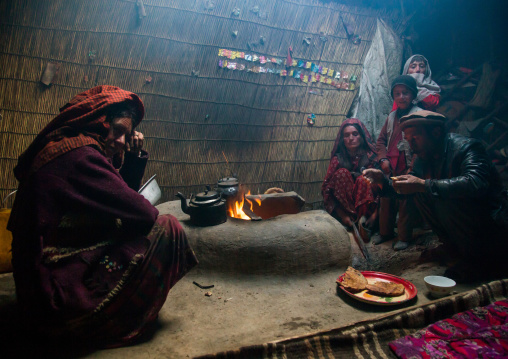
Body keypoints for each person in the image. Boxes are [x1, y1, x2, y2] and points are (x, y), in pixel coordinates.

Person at [7, 85, 198, 348]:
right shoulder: (81, 157)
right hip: (55, 306)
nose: (121, 141)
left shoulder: (66, 147)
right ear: (99, 122)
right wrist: (128, 163)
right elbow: (143, 214)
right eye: (117, 130)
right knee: (169, 227)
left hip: (39, 297)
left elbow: (117, 203)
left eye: (127, 135)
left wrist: (130, 158)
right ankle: (120, 319)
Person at [364, 110, 508, 283]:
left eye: (415, 138)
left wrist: (424, 185)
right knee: (422, 193)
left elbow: (475, 183)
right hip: (463, 221)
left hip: (490, 223)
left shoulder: (467, 148)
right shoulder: (423, 156)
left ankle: (478, 259)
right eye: (408, 140)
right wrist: (383, 182)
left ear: (436, 132)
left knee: (435, 192)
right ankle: (453, 247)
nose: (411, 145)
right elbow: (410, 189)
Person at [374, 75, 423, 249]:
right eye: (397, 93)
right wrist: (383, 159)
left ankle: (404, 236)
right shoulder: (392, 116)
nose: (401, 97)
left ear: (413, 95)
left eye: (405, 93)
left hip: (408, 165)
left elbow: (421, 146)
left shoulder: (419, 115)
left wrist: (413, 168)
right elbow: (380, 141)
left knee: (405, 201)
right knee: (386, 199)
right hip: (390, 166)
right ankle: (385, 232)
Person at [321, 118, 378, 237]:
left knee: (364, 178)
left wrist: (374, 215)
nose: (351, 138)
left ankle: (364, 220)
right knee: (342, 173)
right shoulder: (338, 159)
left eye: (355, 134)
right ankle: (350, 220)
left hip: (368, 210)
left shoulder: (371, 157)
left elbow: (382, 188)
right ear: (342, 139)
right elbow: (326, 189)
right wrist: (343, 216)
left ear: (362, 136)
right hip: (345, 212)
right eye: (346, 135)